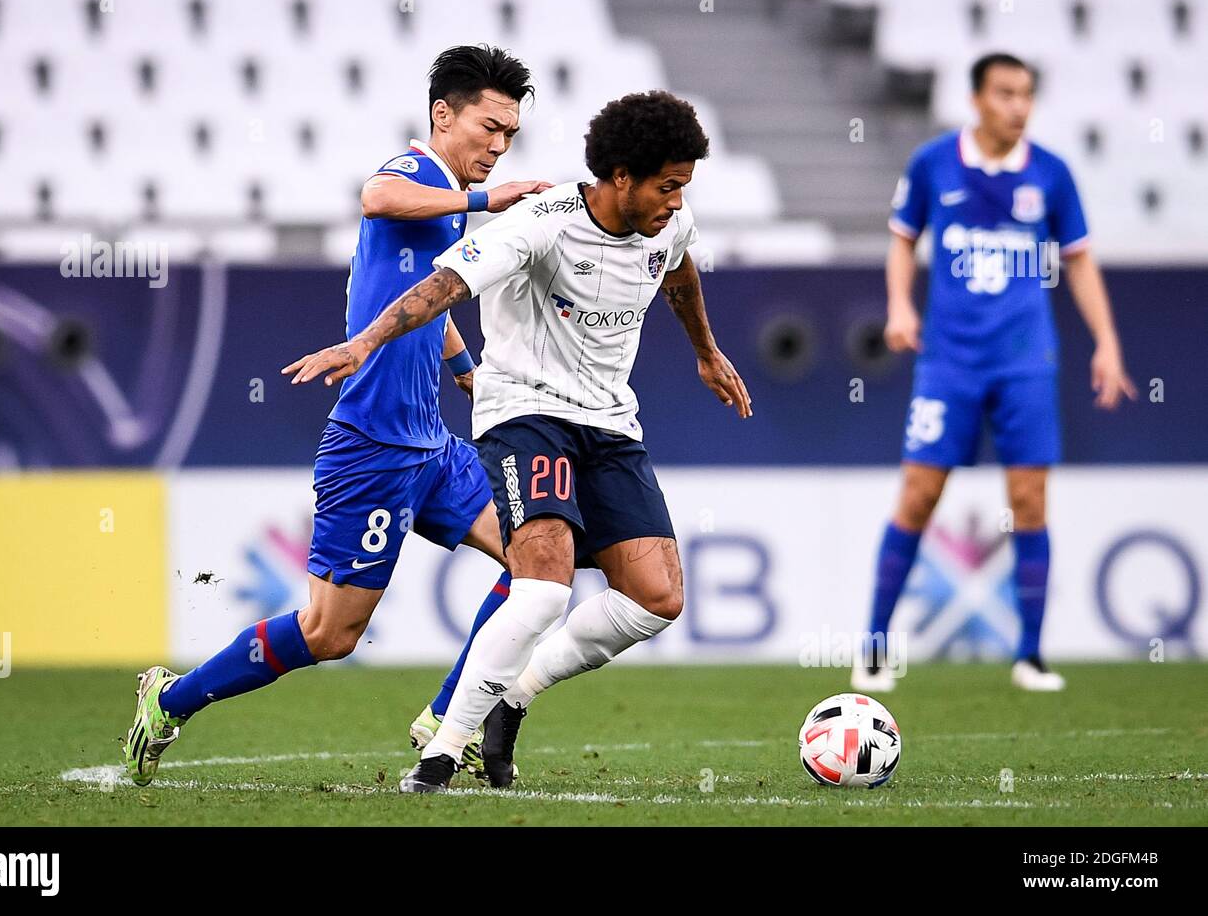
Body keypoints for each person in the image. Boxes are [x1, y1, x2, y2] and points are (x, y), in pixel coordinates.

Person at [284, 90, 753, 793]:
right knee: (540, 594)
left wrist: (706, 352)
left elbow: (680, 273)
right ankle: (440, 754)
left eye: (684, 188)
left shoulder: (670, 225)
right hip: (525, 414)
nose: (676, 203)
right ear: (620, 176)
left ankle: (515, 694)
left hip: (609, 422)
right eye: (667, 186)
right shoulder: (542, 222)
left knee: (656, 600)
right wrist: (366, 340)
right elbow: (443, 284)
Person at [124, 45, 550, 785]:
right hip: (373, 449)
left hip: (433, 447)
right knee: (330, 633)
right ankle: (170, 700)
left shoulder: (445, 206)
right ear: (443, 116)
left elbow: (429, 298)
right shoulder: (421, 174)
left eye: (509, 134)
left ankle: (449, 717)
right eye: (488, 126)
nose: (498, 146)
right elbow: (376, 195)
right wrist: (489, 200)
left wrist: (467, 375)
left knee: (537, 565)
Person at [853, 52, 1135, 694]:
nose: (1018, 106)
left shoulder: (1053, 175)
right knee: (920, 496)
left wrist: (1107, 341)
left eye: (1026, 94)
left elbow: (1081, 261)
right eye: (1006, 93)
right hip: (948, 362)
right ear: (977, 99)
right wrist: (900, 304)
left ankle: (1029, 656)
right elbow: (902, 238)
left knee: (1030, 503)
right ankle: (873, 648)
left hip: (1025, 362)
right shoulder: (933, 164)